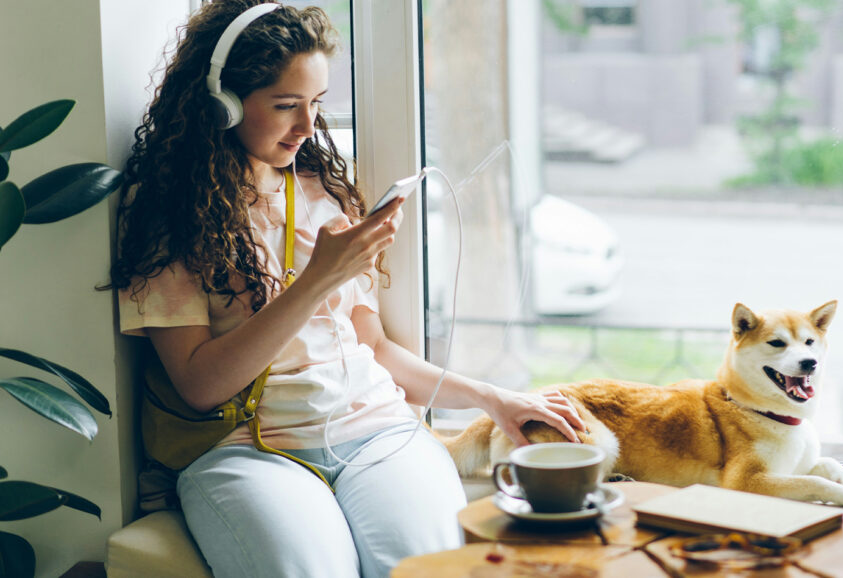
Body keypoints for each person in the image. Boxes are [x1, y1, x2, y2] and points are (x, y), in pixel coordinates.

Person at [106, 1, 585, 576]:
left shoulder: (323, 190)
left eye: (316, 103)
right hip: (245, 448)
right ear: (221, 104)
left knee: (422, 567)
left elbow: (374, 348)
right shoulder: (169, 212)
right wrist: (317, 281)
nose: (307, 126)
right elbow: (199, 386)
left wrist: (491, 398)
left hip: (376, 431)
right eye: (286, 105)